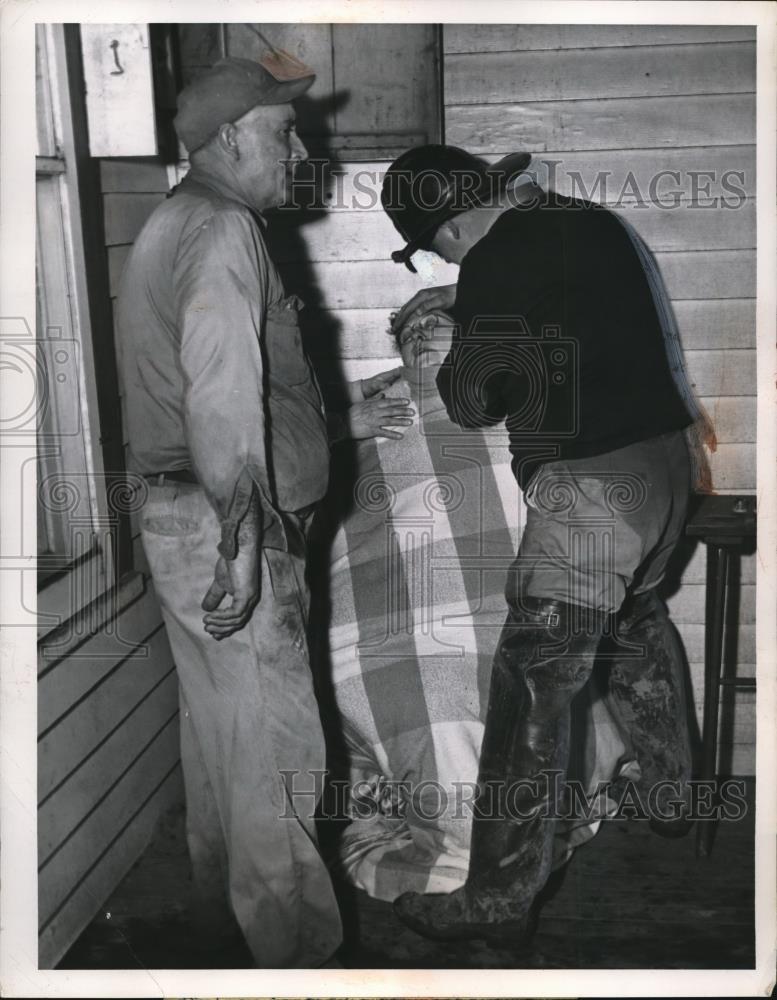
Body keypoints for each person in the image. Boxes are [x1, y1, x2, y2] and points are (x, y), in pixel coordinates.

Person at [114, 54, 412, 968]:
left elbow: (245, 378)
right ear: (232, 135)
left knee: (222, 741)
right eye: (285, 133)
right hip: (224, 520)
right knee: (277, 750)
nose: (301, 148)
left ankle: (226, 934)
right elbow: (219, 390)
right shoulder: (221, 230)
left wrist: (334, 421)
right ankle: (299, 962)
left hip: (181, 512)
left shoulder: (178, 221)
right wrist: (243, 543)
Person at [379, 144, 705, 945]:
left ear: (453, 224)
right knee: (633, 624)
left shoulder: (494, 262)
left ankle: (494, 898)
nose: (448, 258)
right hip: (666, 469)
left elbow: (472, 401)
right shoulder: (586, 221)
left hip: (590, 487)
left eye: (439, 246)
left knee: (531, 682)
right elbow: (564, 308)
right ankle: (669, 797)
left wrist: (460, 322)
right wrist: (479, 297)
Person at [315, 308, 628, 902]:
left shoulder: (509, 394)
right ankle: (455, 829)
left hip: (496, 593)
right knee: (378, 674)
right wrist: (352, 419)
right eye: (411, 327)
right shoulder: (373, 401)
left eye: (437, 323)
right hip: (391, 594)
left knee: (508, 673)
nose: (422, 334)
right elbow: (317, 453)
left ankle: (484, 835)